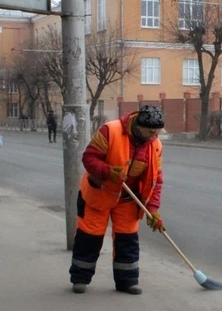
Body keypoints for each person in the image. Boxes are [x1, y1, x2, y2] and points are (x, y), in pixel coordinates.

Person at [69, 105, 165, 295]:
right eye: (150, 131)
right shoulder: (110, 131)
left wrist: (152, 208)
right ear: (138, 126)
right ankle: (80, 278)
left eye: (157, 132)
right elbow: (89, 158)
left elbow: (156, 179)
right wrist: (107, 172)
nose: (153, 136)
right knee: (89, 236)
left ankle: (127, 281)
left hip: (128, 198)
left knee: (127, 239)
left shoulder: (155, 146)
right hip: (100, 192)